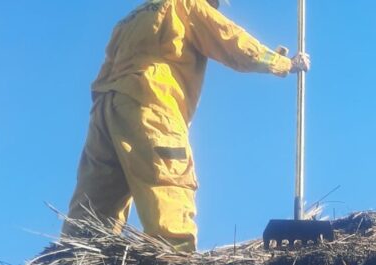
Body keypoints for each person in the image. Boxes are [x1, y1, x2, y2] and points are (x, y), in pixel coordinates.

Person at [63, 0, 311, 251]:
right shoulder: (187, 5)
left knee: (95, 204)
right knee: (169, 184)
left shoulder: (130, 18)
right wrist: (283, 63)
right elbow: (230, 39)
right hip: (151, 105)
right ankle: (175, 264)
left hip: (104, 114)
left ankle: (73, 260)